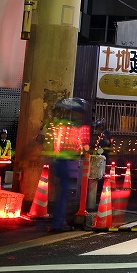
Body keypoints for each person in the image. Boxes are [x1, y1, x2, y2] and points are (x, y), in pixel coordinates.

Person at [40, 98, 90, 232]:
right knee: (63, 194)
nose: (80, 115)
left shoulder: (62, 124)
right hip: (63, 162)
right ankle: (58, 224)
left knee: (63, 193)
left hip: (61, 162)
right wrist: (81, 151)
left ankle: (60, 221)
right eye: (79, 112)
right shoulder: (67, 126)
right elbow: (69, 146)